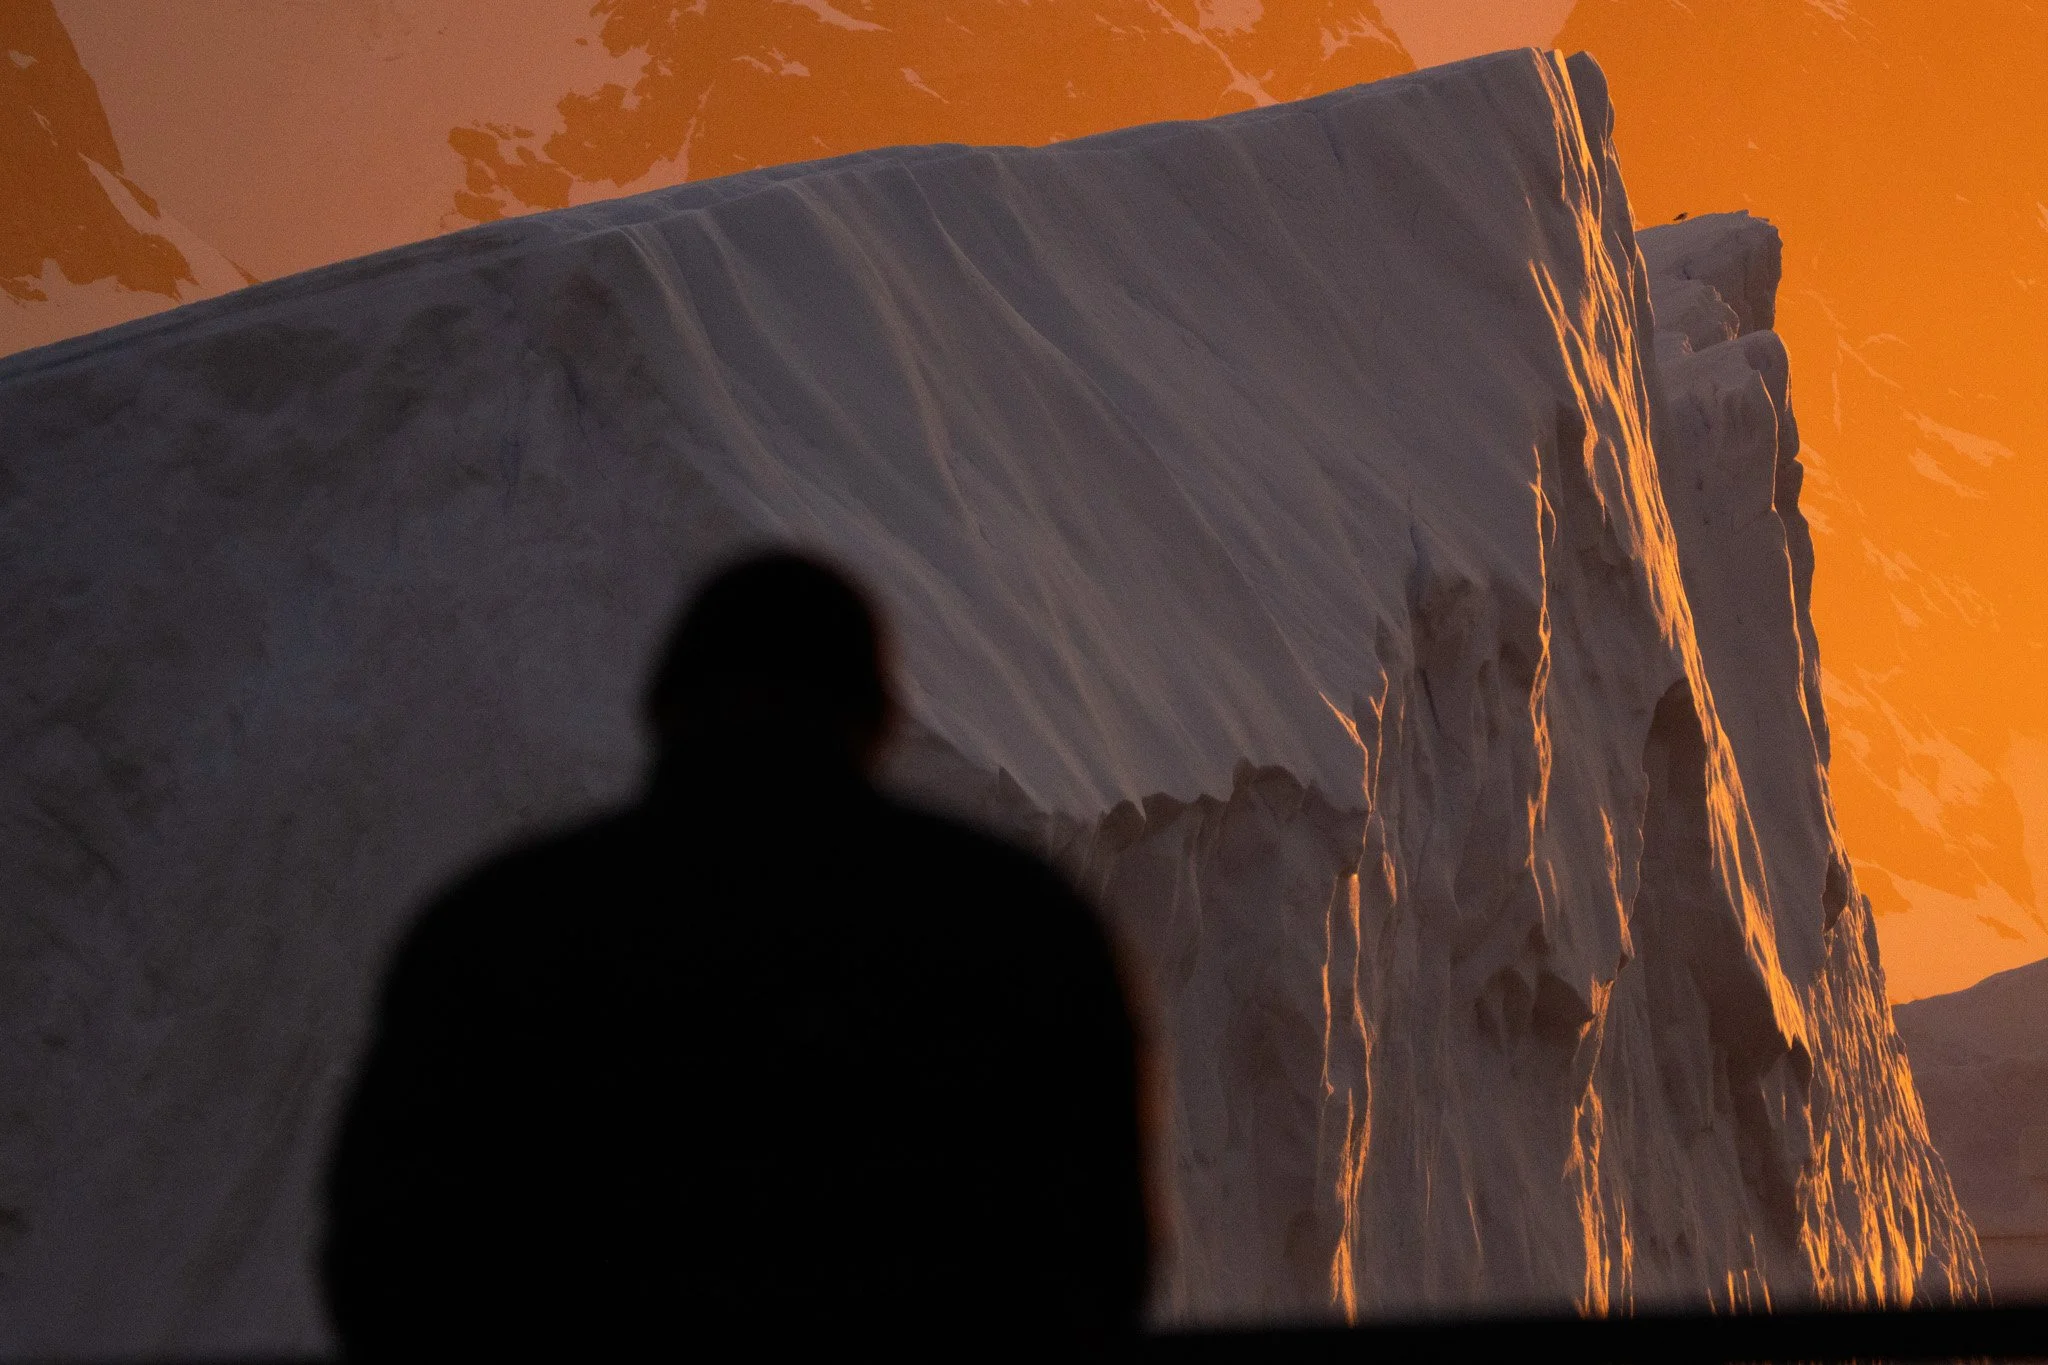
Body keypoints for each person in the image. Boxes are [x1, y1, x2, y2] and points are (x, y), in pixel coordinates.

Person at [322, 551, 1152, 1357]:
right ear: (875, 718)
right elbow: (1104, 1256)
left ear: (662, 704)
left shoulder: (499, 928)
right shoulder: (1016, 924)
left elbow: (380, 1256)